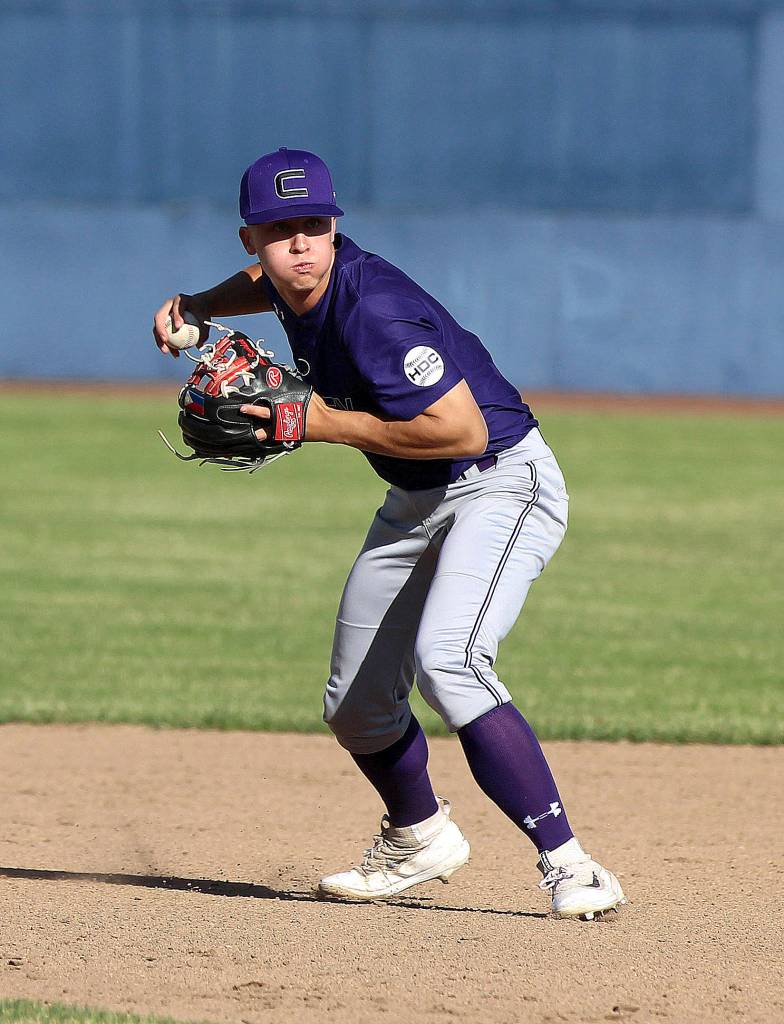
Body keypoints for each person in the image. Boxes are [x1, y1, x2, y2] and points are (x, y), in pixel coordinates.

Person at [153, 148, 625, 920]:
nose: (299, 243)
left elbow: (463, 431)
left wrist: (317, 423)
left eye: (314, 225)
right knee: (357, 704)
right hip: (415, 499)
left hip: (500, 482)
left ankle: (573, 866)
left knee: (451, 662)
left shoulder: (374, 308)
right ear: (251, 240)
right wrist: (200, 304)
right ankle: (418, 836)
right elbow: (264, 284)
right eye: (279, 230)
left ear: (335, 228)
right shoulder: (287, 278)